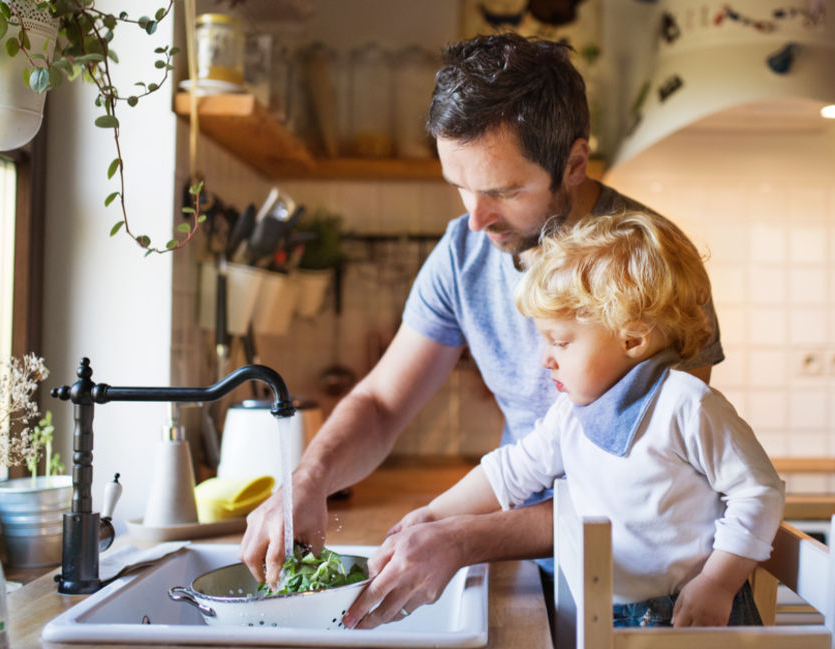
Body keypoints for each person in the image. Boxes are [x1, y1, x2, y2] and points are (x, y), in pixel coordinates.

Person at [239, 32, 725, 629]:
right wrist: (308, 481)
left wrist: (467, 538)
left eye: (502, 190)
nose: (475, 216)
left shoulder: (655, 268)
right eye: (461, 185)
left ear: (573, 164)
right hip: (530, 561)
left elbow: (651, 489)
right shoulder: (463, 252)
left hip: (649, 589)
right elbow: (382, 403)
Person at [397, 212, 785, 627]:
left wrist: (718, 583)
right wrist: (432, 516)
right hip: (606, 614)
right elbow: (510, 471)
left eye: (560, 341)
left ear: (633, 340)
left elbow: (759, 493)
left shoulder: (686, 404)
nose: (545, 358)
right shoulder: (573, 413)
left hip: (690, 613)